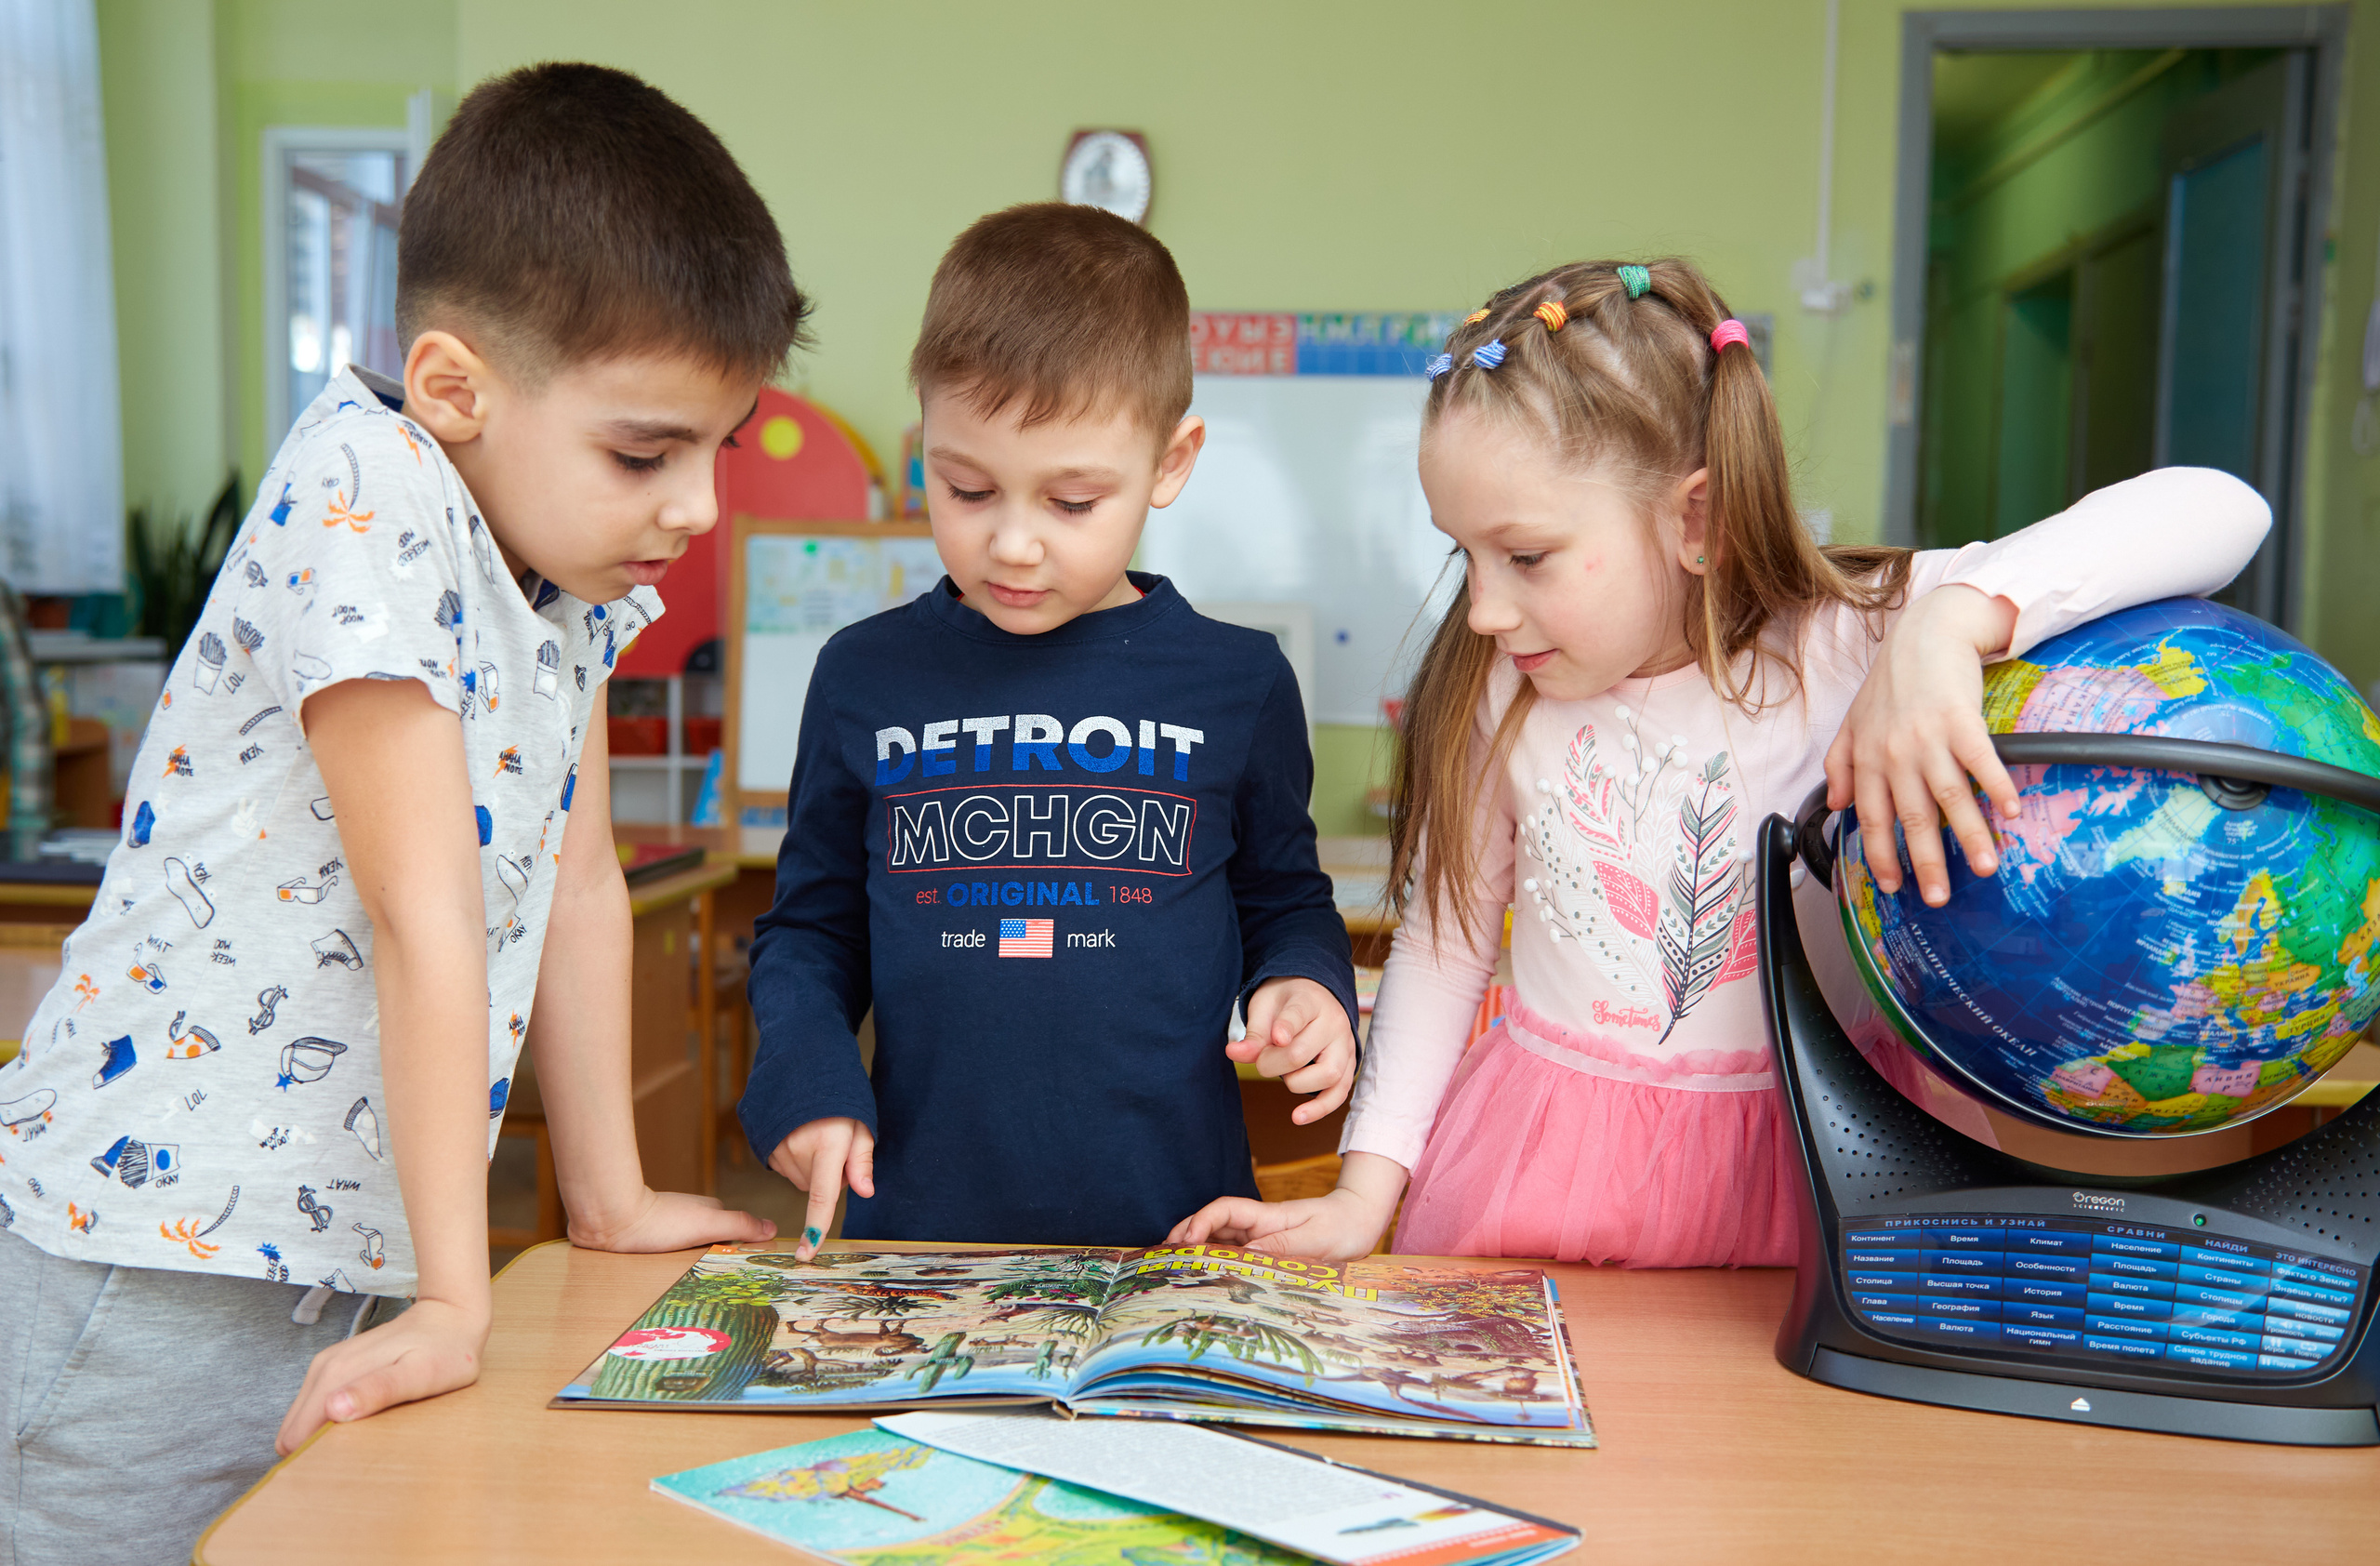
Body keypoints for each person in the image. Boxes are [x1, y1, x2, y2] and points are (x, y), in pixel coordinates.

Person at [0, 63, 801, 1562]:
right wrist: (454, 1292)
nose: (696, 507)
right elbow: (423, 913)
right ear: (452, 390)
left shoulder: (566, 584)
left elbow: (574, 887)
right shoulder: (365, 490)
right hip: (147, 1256)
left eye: (721, 447)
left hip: (327, 1251)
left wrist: (609, 1194)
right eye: (646, 453)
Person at [1170, 258, 2268, 1267]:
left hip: (1821, 1169)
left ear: (1695, 516)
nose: (1485, 608)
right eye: (1465, 556)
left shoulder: (1852, 637)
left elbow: (2223, 509)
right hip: (1545, 1174)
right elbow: (1443, 945)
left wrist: (1947, 624)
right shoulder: (1501, 686)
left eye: (1527, 556)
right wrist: (1363, 1195)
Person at [741, 203, 1360, 1258]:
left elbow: (1284, 901)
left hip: (1175, 1235)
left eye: (1072, 502)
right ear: (924, 448)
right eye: (967, 488)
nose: (1014, 544)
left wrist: (1304, 983)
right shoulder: (862, 675)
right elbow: (812, 930)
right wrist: (805, 1072)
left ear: (1171, 463)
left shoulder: (1239, 682)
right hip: (926, 1239)